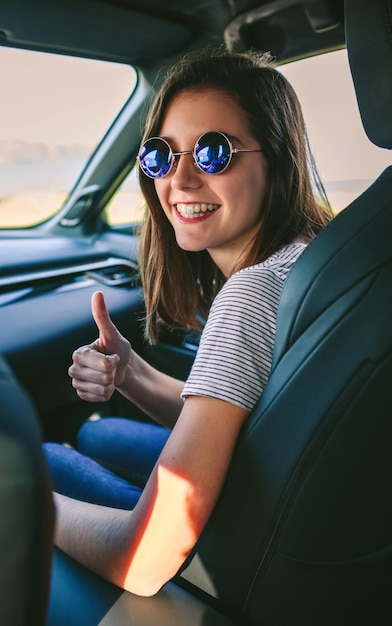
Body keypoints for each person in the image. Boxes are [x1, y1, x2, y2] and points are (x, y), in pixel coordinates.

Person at [44, 48, 333, 597]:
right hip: (286, 495)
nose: (180, 179)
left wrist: (23, 500)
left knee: (45, 460)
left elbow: (144, 560)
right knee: (95, 431)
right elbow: (243, 416)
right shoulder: (308, 255)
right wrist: (131, 372)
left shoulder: (251, 293)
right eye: (161, 155)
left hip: (250, 546)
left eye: (214, 152)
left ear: (275, 158)